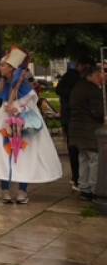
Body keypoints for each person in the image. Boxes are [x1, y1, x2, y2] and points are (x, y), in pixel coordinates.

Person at [0, 47, 62, 204]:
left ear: (11, 67)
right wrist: (6, 102)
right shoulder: (0, 83)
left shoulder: (23, 84)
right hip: (3, 124)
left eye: (3, 65)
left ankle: (22, 190)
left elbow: (31, 102)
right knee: (3, 155)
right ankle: (5, 189)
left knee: (24, 156)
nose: (0, 68)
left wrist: (18, 107)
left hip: (22, 125)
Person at [68, 64, 105, 201]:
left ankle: (84, 188)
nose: (101, 78)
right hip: (89, 130)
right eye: (99, 75)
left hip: (77, 129)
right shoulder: (93, 90)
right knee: (94, 159)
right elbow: (98, 112)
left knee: (83, 158)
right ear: (92, 75)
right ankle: (94, 189)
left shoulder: (78, 87)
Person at [56, 60, 90, 188]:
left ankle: (77, 177)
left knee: (74, 148)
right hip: (72, 119)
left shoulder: (70, 78)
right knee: (76, 149)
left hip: (69, 118)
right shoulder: (74, 78)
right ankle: (77, 178)